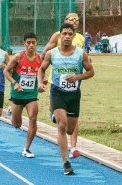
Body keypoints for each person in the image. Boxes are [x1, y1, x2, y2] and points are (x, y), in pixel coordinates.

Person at [38, 23, 94, 175]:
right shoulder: (52, 53)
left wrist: (78, 76)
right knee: (62, 126)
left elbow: (91, 71)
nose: (67, 37)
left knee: (70, 129)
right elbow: (41, 69)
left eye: (70, 34)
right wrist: (40, 82)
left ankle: (56, 117)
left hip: (74, 94)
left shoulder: (80, 53)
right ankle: (66, 163)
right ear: (60, 36)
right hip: (58, 92)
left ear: (74, 35)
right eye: (64, 34)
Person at [40, 12, 85, 159]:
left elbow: (85, 62)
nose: (74, 21)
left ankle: (74, 146)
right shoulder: (56, 36)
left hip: (73, 84)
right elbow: (45, 53)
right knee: (60, 120)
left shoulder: (81, 39)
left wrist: (78, 73)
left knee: (70, 124)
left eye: (76, 19)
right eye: (71, 19)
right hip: (56, 83)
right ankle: (69, 153)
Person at [4, 32, 41, 158]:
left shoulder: (39, 58)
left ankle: (27, 148)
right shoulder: (18, 57)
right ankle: (11, 109)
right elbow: (6, 71)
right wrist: (14, 83)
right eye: (29, 42)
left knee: (33, 118)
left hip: (31, 94)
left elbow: (41, 73)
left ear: (36, 43)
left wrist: (42, 82)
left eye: (33, 42)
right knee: (17, 124)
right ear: (24, 43)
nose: (31, 45)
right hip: (17, 93)